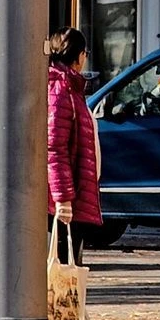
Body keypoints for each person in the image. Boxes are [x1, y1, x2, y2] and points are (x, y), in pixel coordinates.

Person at [45, 27, 102, 246]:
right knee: (63, 268)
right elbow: (54, 147)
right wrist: (63, 200)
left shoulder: (70, 86)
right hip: (63, 198)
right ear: (79, 56)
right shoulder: (60, 89)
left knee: (68, 266)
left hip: (72, 192)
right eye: (84, 53)